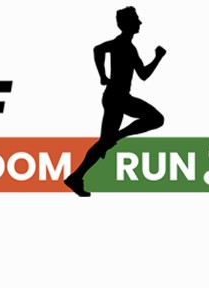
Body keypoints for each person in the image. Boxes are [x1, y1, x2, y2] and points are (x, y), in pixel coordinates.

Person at [69, 5, 166, 192]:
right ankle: (117, 137)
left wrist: (103, 75)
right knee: (156, 119)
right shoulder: (123, 45)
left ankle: (76, 177)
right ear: (127, 24)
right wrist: (158, 57)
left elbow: (99, 50)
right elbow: (143, 74)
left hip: (117, 97)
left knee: (104, 142)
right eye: (136, 20)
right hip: (117, 98)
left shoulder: (125, 45)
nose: (140, 22)